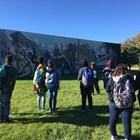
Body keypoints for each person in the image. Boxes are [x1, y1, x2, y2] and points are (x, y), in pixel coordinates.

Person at [106, 64, 135, 140]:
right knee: (127, 122)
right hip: (127, 103)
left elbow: (107, 89)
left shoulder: (112, 78)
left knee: (113, 119)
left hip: (114, 102)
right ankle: (127, 137)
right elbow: (135, 87)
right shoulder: (129, 78)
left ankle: (114, 135)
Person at [0, 55, 17, 123]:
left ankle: (1, 118)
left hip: (1, 87)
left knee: (1, 103)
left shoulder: (2, 67)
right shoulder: (13, 69)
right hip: (8, 88)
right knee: (6, 103)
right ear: (11, 60)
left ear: (5, 60)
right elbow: (14, 80)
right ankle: (5, 118)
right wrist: (12, 87)